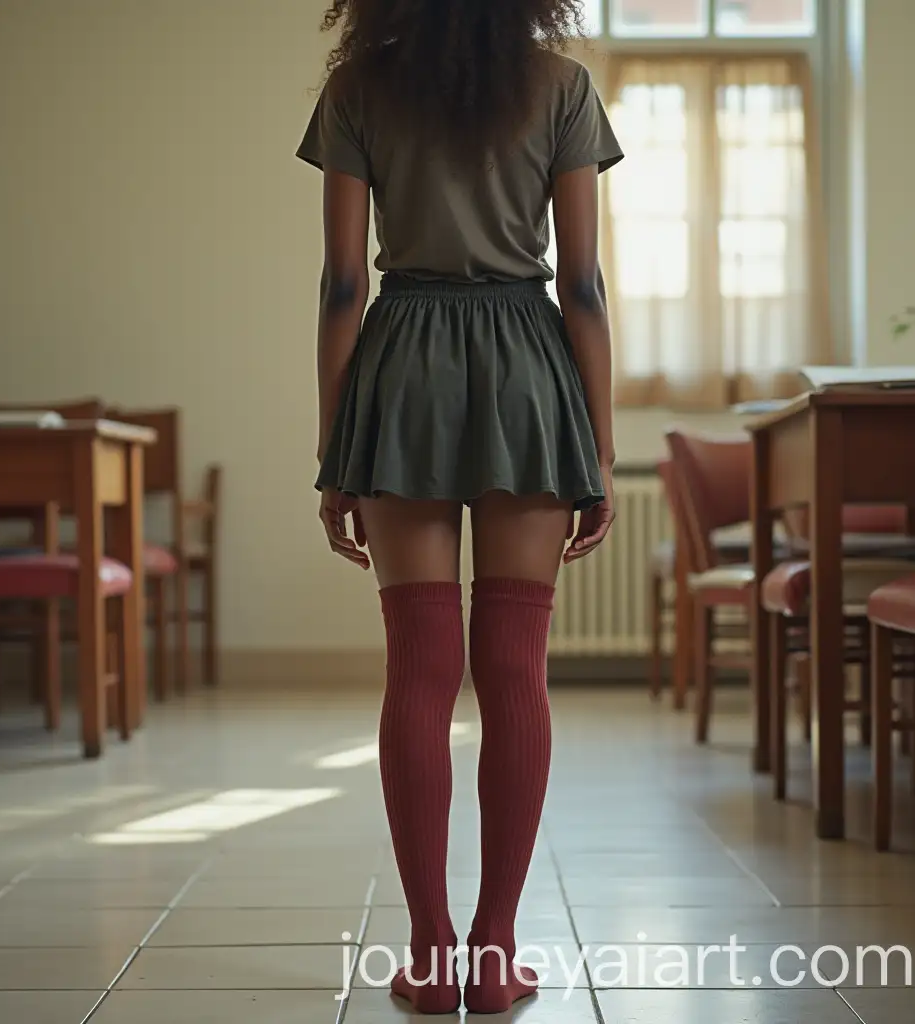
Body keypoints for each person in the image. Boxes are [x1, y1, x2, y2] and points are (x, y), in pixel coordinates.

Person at [297, 0, 622, 1014]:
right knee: (514, 666)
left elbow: (345, 283)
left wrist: (334, 447)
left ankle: (431, 950)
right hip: (528, 364)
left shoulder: (358, 86)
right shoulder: (560, 86)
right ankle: (495, 950)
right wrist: (597, 449)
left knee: (422, 667)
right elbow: (581, 285)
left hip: (403, 372)